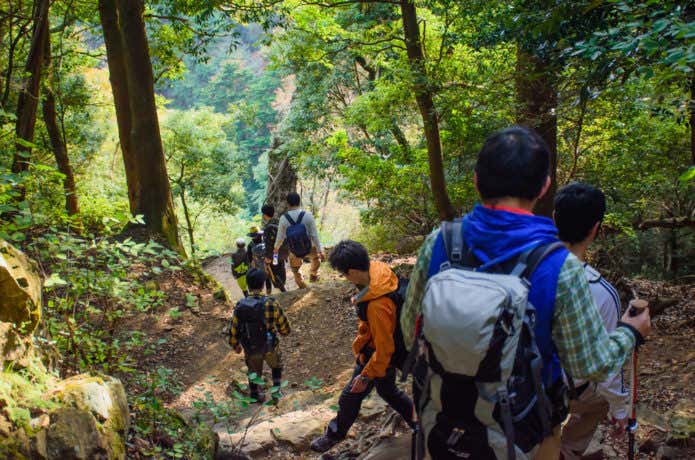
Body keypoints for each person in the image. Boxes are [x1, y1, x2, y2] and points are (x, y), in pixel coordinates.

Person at [400, 126, 650, 459]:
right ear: (544, 186)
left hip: (444, 421)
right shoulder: (560, 267)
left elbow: (409, 332)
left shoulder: (440, 244)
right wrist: (630, 333)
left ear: (476, 181)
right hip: (524, 432)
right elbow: (591, 364)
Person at [310, 240, 415, 453]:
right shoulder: (379, 270)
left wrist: (366, 375)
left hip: (378, 355)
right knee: (388, 391)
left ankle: (334, 436)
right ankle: (418, 422)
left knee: (350, 395)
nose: (346, 279)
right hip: (390, 350)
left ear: (353, 271)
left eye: (344, 274)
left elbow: (385, 348)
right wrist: (359, 298)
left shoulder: (377, 306)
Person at [554, 183, 629, 459]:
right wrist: (621, 410)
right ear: (595, 228)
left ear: (554, 219)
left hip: (522, 385)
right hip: (567, 392)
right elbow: (606, 366)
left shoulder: (529, 270)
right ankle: (567, 449)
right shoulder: (601, 291)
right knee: (602, 400)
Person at [228, 268, 291, 402]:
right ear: (263, 285)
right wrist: (282, 332)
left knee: (253, 370)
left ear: (248, 285)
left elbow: (233, 328)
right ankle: (276, 393)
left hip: (250, 347)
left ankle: (255, 394)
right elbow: (285, 328)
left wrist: (235, 345)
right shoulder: (271, 303)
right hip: (270, 347)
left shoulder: (240, 305)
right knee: (276, 366)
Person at [273, 192, 324, 289]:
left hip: (294, 250)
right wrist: (320, 250)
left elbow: (280, 237)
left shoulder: (283, 219)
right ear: (299, 202)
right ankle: (313, 274)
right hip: (310, 247)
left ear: (288, 204)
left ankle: (303, 287)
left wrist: (276, 248)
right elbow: (314, 235)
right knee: (316, 258)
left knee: (295, 269)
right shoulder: (308, 215)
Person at [261, 204, 287, 293]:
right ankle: (283, 287)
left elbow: (268, 245)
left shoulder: (268, 228)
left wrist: (268, 257)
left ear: (265, 214)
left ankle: (282, 290)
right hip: (284, 253)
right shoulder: (279, 221)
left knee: (273, 272)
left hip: (274, 255)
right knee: (281, 269)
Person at [247, 226, 272, 295]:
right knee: (268, 279)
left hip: (258, 266)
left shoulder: (250, 245)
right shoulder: (265, 241)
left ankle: (260, 294)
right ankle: (269, 293)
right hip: (268, 263)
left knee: (260, 280)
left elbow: (250, 259)